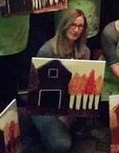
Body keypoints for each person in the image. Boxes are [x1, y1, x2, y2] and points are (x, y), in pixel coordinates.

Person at [32, 9, 90, 153]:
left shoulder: (84, 51)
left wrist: (70, 113)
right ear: (64, 25)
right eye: (72, 25)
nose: (76, 30)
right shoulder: (47, 51)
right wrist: (60, 115)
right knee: (61, 145)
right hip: (45, 106)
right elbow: (37, 90)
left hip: (70, 104)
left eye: (80, 26)